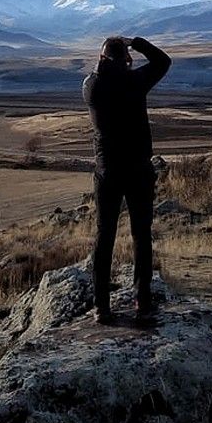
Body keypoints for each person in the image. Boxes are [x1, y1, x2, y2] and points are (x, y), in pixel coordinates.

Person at [82, 35, 171, 324]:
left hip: (107, 172)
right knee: (141, 235)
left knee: (104, 236)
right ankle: (142, 302)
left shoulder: (92, 88)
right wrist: (138, 43)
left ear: (102, 58)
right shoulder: (135, 83)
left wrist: (108, 59)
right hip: (138, 170)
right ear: (127, 59)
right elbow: (163, 62)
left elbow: (95, 75)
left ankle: (102, 307)